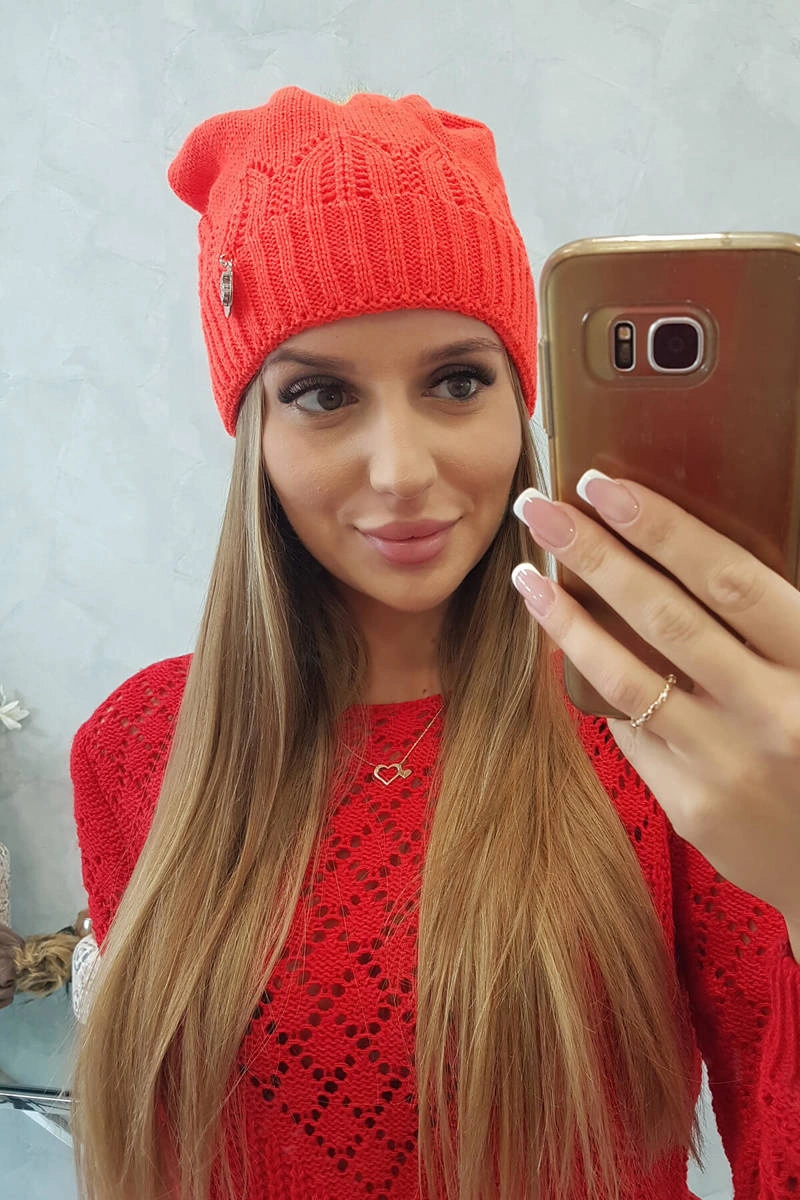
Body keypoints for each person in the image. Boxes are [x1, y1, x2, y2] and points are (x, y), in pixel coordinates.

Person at [68, 88, 799, 1200]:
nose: (401, 470)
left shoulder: (660, 721)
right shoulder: (132, 749)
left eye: (457, 381)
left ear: (521, 400)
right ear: (253, 433)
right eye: (321, 394)